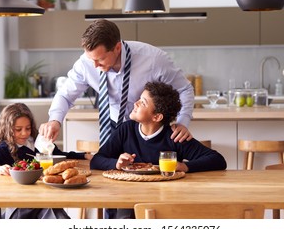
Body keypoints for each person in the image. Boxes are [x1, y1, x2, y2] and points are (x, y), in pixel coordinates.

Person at [39, 19, 195, 145]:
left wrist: (182, 122)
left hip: (149, 129)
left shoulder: (154, 60)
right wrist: (54, 121)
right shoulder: (85, 64)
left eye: (100, 59)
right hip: (112, 127)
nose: (95, 66)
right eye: (90, 59)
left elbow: (184, 89)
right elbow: (65, 96)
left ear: (117, 48)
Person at [90, 82, 227, 218]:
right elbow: (96, 160)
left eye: (142, 103)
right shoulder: (126, 129)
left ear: (157, 117)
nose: (136, 103)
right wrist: (117, 164)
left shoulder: (174, 136)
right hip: (129, 198)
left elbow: (218, 160)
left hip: (165, 200)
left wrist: (184, 166)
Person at [0, 103, 90, 219]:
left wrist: (83, 156)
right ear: (7, 129)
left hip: (44, 198)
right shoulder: (5, 148)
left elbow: (59, 154)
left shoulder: (38, 142)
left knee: (57, 214)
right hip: (21, 203)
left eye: (28, 128)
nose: (24, 133)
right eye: (18, 129)